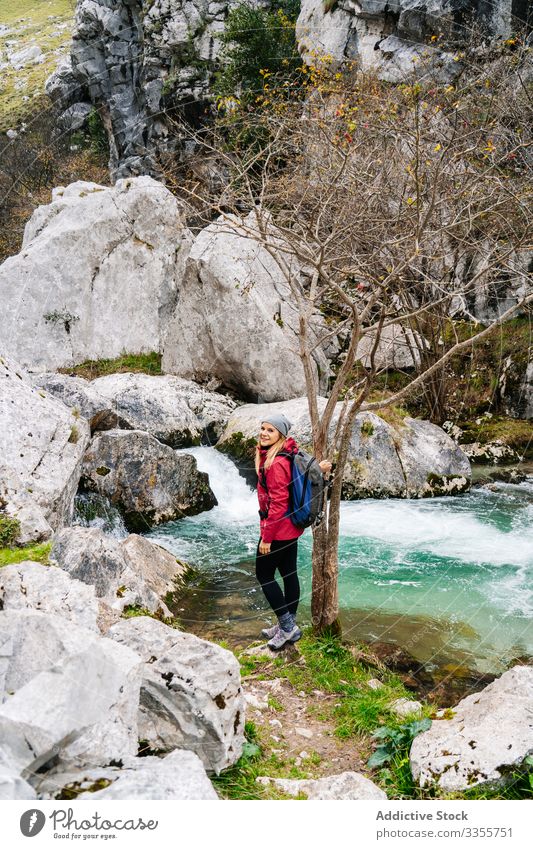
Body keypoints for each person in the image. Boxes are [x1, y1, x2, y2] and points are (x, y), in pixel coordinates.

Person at [255, 412, 332, 651]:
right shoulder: (286, 454)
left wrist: (267, 537)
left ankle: (288, 627)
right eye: (263, 428)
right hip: (292, 529)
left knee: (264, 575)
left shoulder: (276, 463)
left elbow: (278, 503)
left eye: (270, 430)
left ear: (281, 435)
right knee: (289, 574)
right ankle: (286, 624)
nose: (264, 433)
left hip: (278, 530)